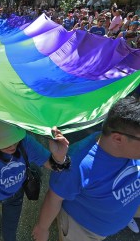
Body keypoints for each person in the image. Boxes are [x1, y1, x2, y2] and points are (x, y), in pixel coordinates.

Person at [33, 96, 140, 241]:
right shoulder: (77, 164)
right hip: (83, 231)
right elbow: (54, 198)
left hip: (109, 221)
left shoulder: (131, 150)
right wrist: (42, 229)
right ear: (118, 138)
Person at [0, 106, 70, 240]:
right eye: (4, 142)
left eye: (14, 140)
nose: (12, 145)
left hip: (15, 196)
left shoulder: (25, 142)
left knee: (10, 235)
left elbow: (53, 165)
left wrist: (60, 158)